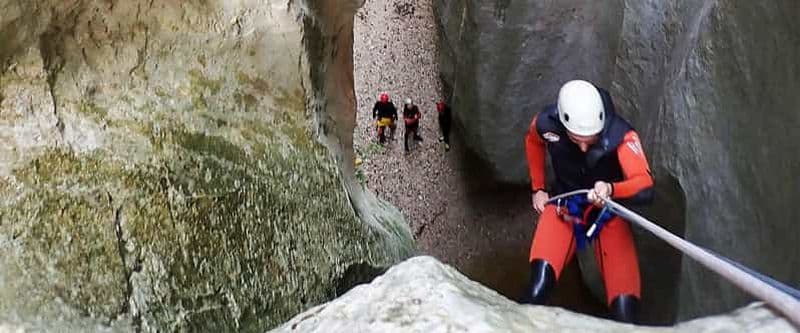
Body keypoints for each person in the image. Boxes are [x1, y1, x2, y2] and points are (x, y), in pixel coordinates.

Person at [524, 80, 654, 323]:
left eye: (590, 140)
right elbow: (533, 140)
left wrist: (611, 189)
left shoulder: (621, 135)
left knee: (626, 312)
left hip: (607, 214)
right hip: (565, 205)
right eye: (576, 139)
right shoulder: (547, 123)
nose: (583, 148)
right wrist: (538, 188)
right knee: (537, 287)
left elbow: (645, 186)